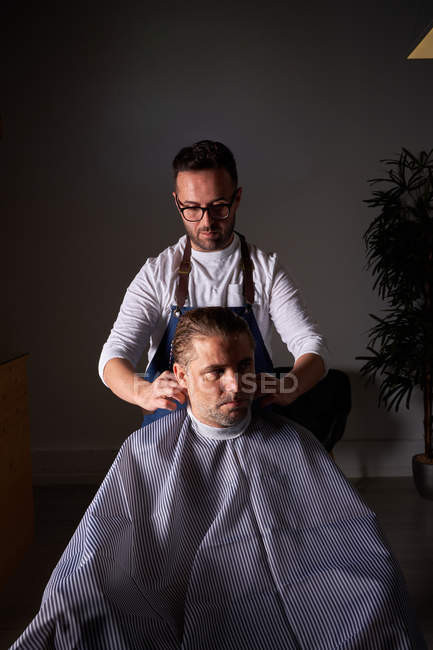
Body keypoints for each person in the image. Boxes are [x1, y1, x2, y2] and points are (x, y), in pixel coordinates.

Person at [12, 308, 426, 649]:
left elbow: (351, 535)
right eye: (215, 371)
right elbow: (100, 548)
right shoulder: (147, 451)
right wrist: (139, 392)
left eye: (244, 366)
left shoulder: (294, 442)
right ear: (181, 374)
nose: (236, 384)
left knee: (377, 599)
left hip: (304, 581)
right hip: (189, 594)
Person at [99, 139, 332, 438]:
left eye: (218, 206)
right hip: (169, 434)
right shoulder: (157, 274)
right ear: (177, 202)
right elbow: (113, 356)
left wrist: (291, 385)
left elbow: (313, 347)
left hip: (250, 431)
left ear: (237, 198)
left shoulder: (266, 271)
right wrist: (141, 391)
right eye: (192, 208)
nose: (207, 221)